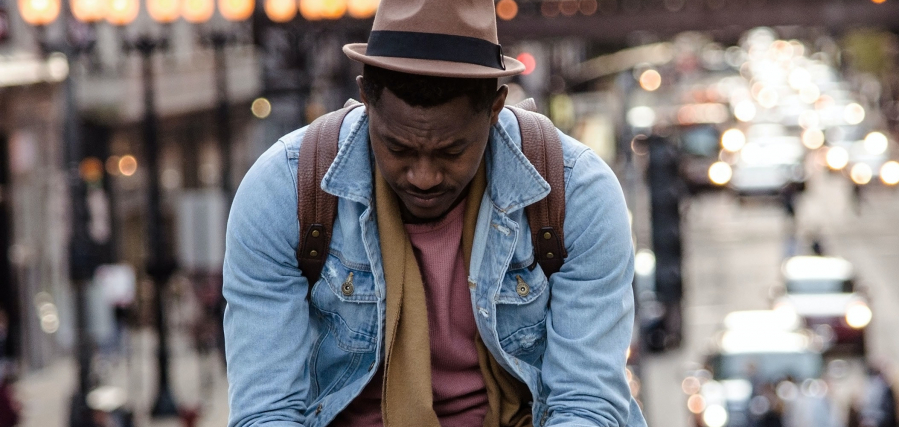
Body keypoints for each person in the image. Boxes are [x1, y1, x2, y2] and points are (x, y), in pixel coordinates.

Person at [221, 0, 643, 425]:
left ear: (495, 108)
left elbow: (586, 405)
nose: (423, 177)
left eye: (451, 151)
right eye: (398, 148)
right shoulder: (285, 192)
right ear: (366, 97)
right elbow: (266, 411)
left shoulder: (576, 194)